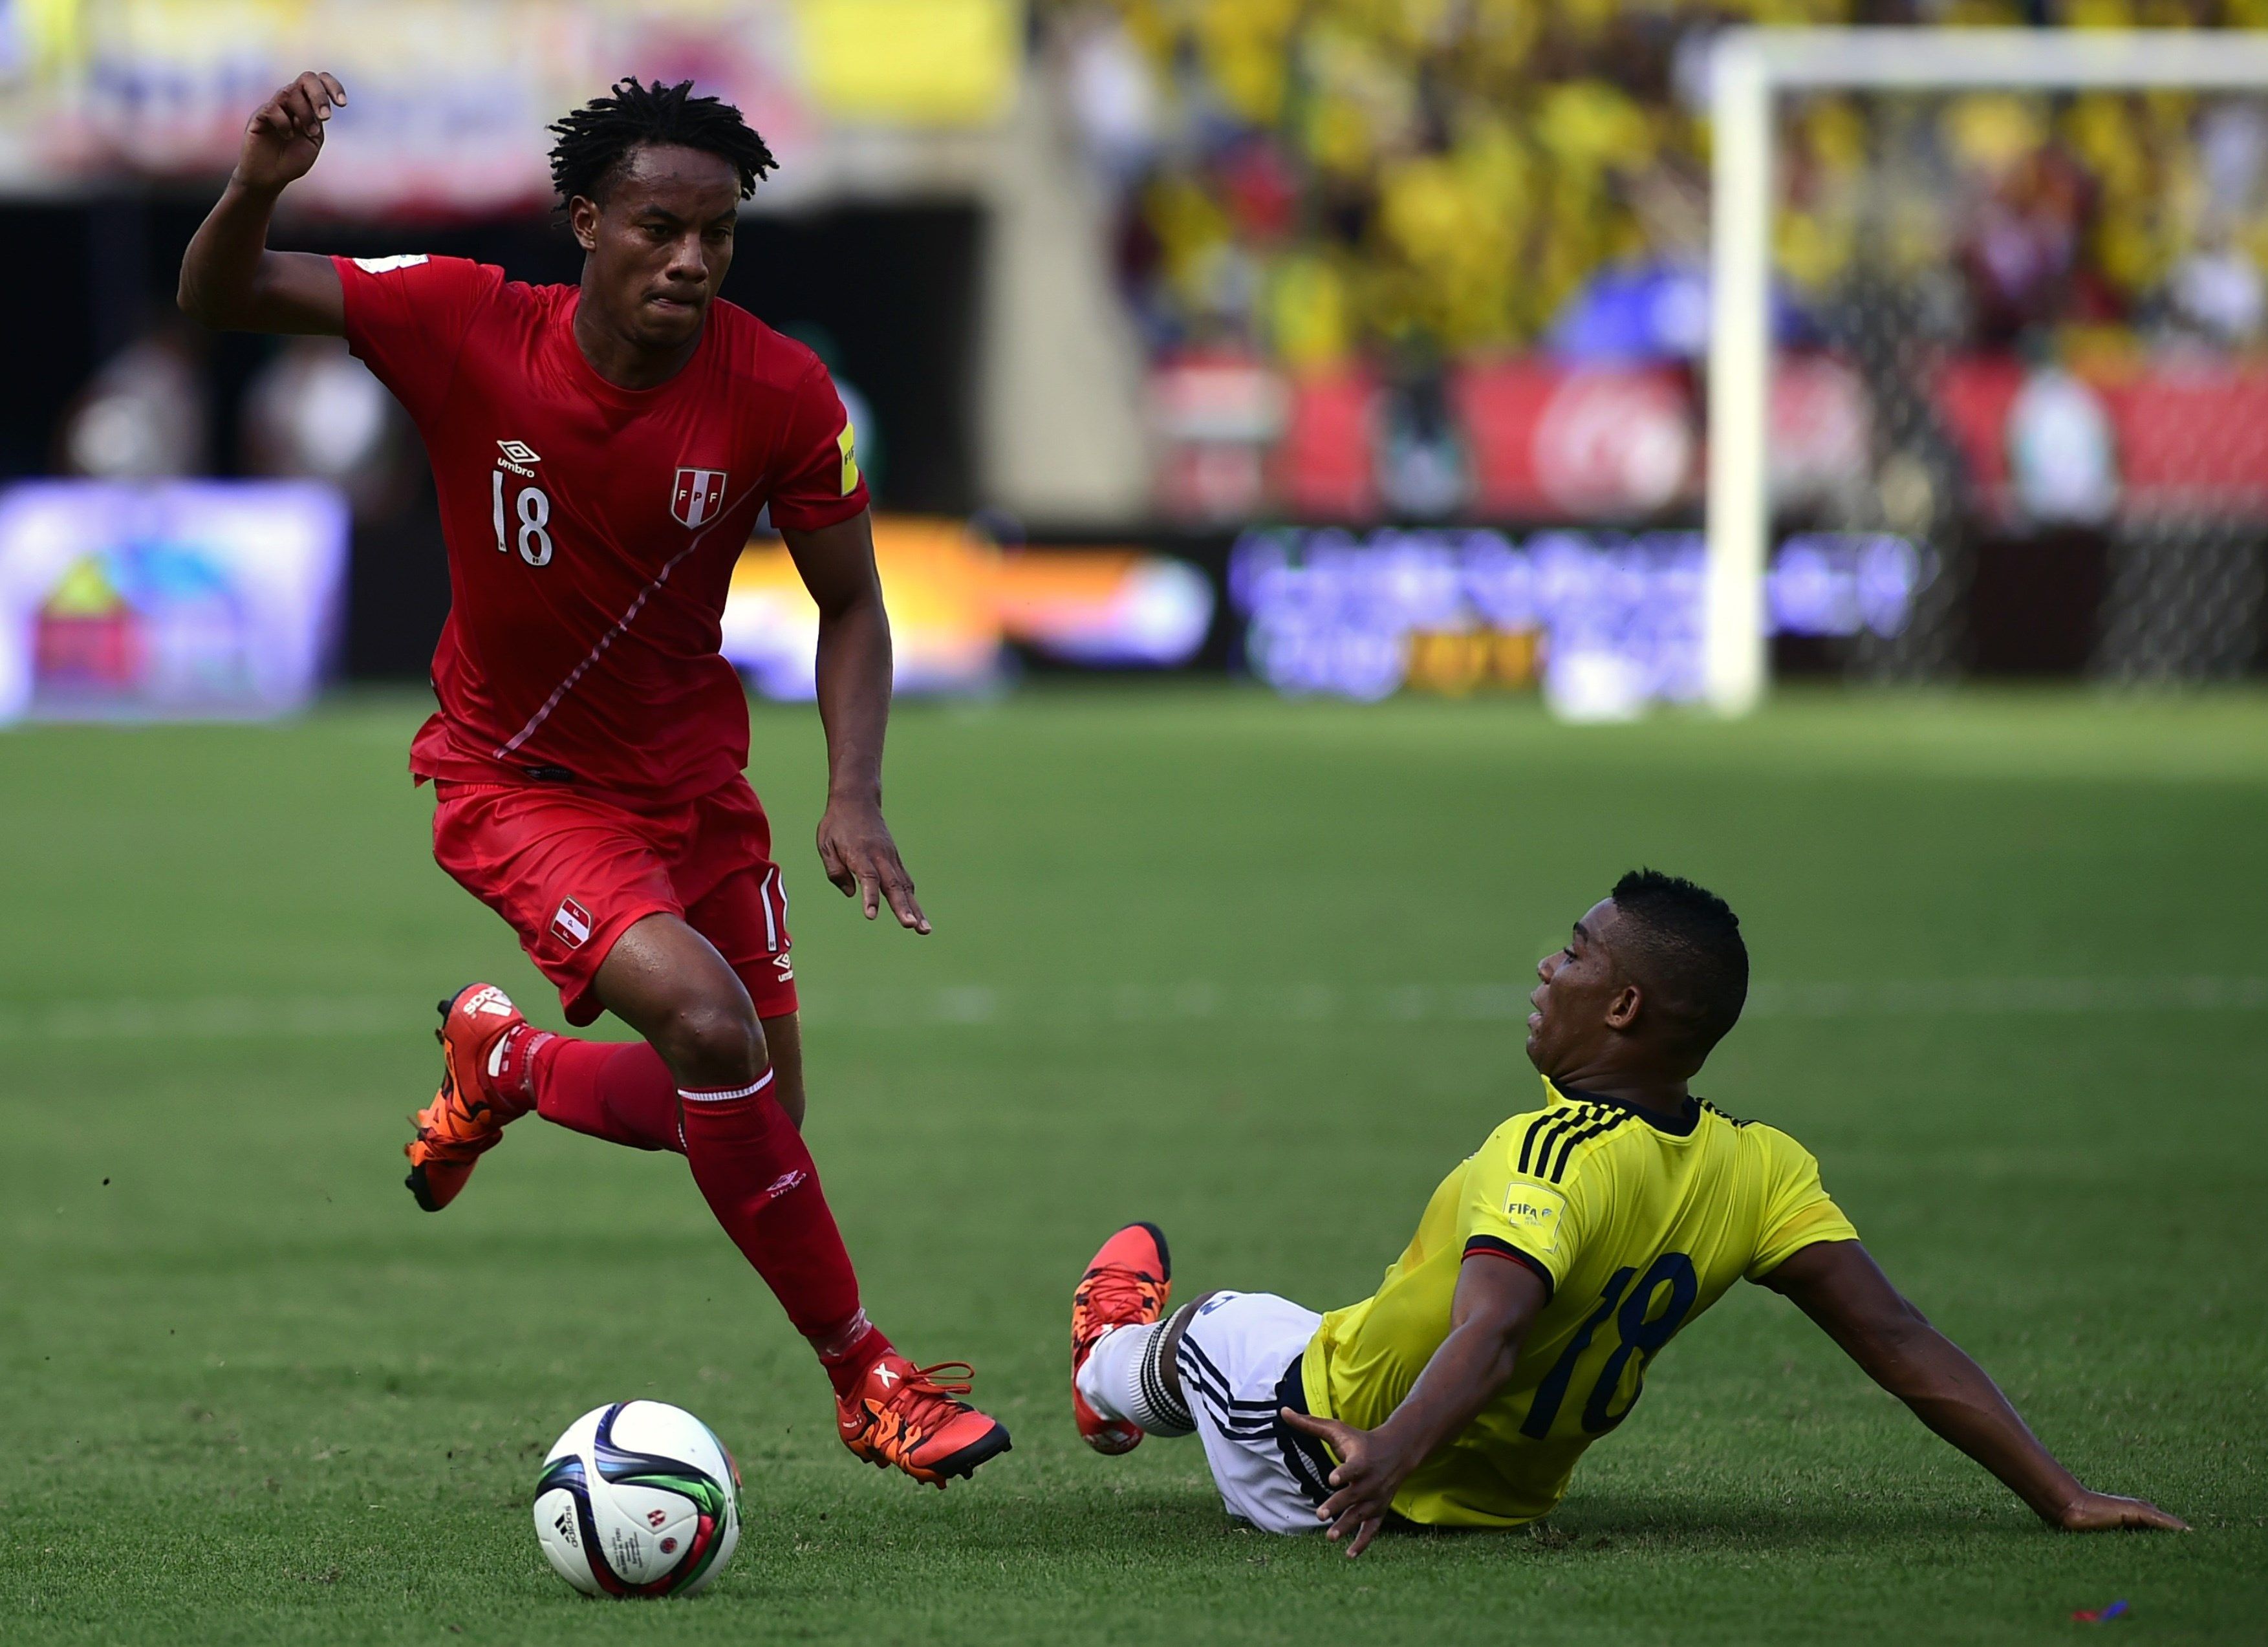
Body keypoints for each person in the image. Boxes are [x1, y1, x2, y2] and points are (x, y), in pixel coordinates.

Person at [177, 71, 1010, 1488]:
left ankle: (505, 1061)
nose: (690, 257)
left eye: (719, 233)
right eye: (659, 226)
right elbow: (222, 293)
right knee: (705, 1020)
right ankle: (868, 1375)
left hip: (697, 786)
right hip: (517, 783)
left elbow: (854, 605)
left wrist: (852, 790)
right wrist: (261, 178)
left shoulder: (783, 392)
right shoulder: (460, 321)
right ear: (587, 222)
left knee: (755, 1115)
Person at [1068, 871, 2187, 1553]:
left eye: (1573, 949)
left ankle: (1106, 1357)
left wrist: (1387, 1460)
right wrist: (2063, 1493)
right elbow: (1899, 1339)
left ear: (1622, 1003)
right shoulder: (1762, 1171)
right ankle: (1144, 1360)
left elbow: (1494, 1332)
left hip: (1320, 1456)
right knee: (1317, 1320)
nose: (1545, 966)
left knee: (1220, 1330)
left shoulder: (1548, 1151)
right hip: (1492, 1509)